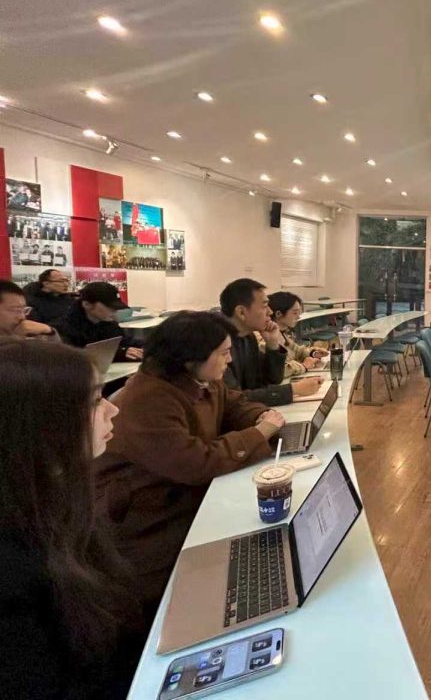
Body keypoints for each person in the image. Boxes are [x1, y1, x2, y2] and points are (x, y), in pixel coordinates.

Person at [93, 311, 285, 614]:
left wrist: (261, 416)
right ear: (189, 359)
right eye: (223, 353)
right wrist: (260, 433)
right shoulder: (149, 399)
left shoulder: (201, 380)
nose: (230, 360)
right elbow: (197, 463)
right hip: (148, 520)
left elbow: (234, 405)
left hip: (181, 495)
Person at [0, 339, 143, 699]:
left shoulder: (56, 501)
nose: (113, 410)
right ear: (42, 421)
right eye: (95, 400)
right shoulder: (14, 565)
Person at [220, 278, 320, 405]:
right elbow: (232, 398)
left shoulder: (248, 337)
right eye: (264, 306)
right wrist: (293, 390)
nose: (270, 312)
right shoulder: (217, 344)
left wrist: (272, 345)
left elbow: (272, 379)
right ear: (241, 312)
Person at [54, 282, 142, 361]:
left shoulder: (109, 323)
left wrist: (147, 346)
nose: (115, 311)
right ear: (87, 304)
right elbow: (75, 356)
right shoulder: (63, 329)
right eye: (110, 307)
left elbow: (125, 341)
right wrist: (119, 353)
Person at [268, 291, 328, 378]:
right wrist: (303, 366)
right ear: (278, 314)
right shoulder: (263, 339)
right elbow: (277, 370)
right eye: (295, 313)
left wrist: (314, 353)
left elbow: (298, 351)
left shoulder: (282, 334)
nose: (298, 316)